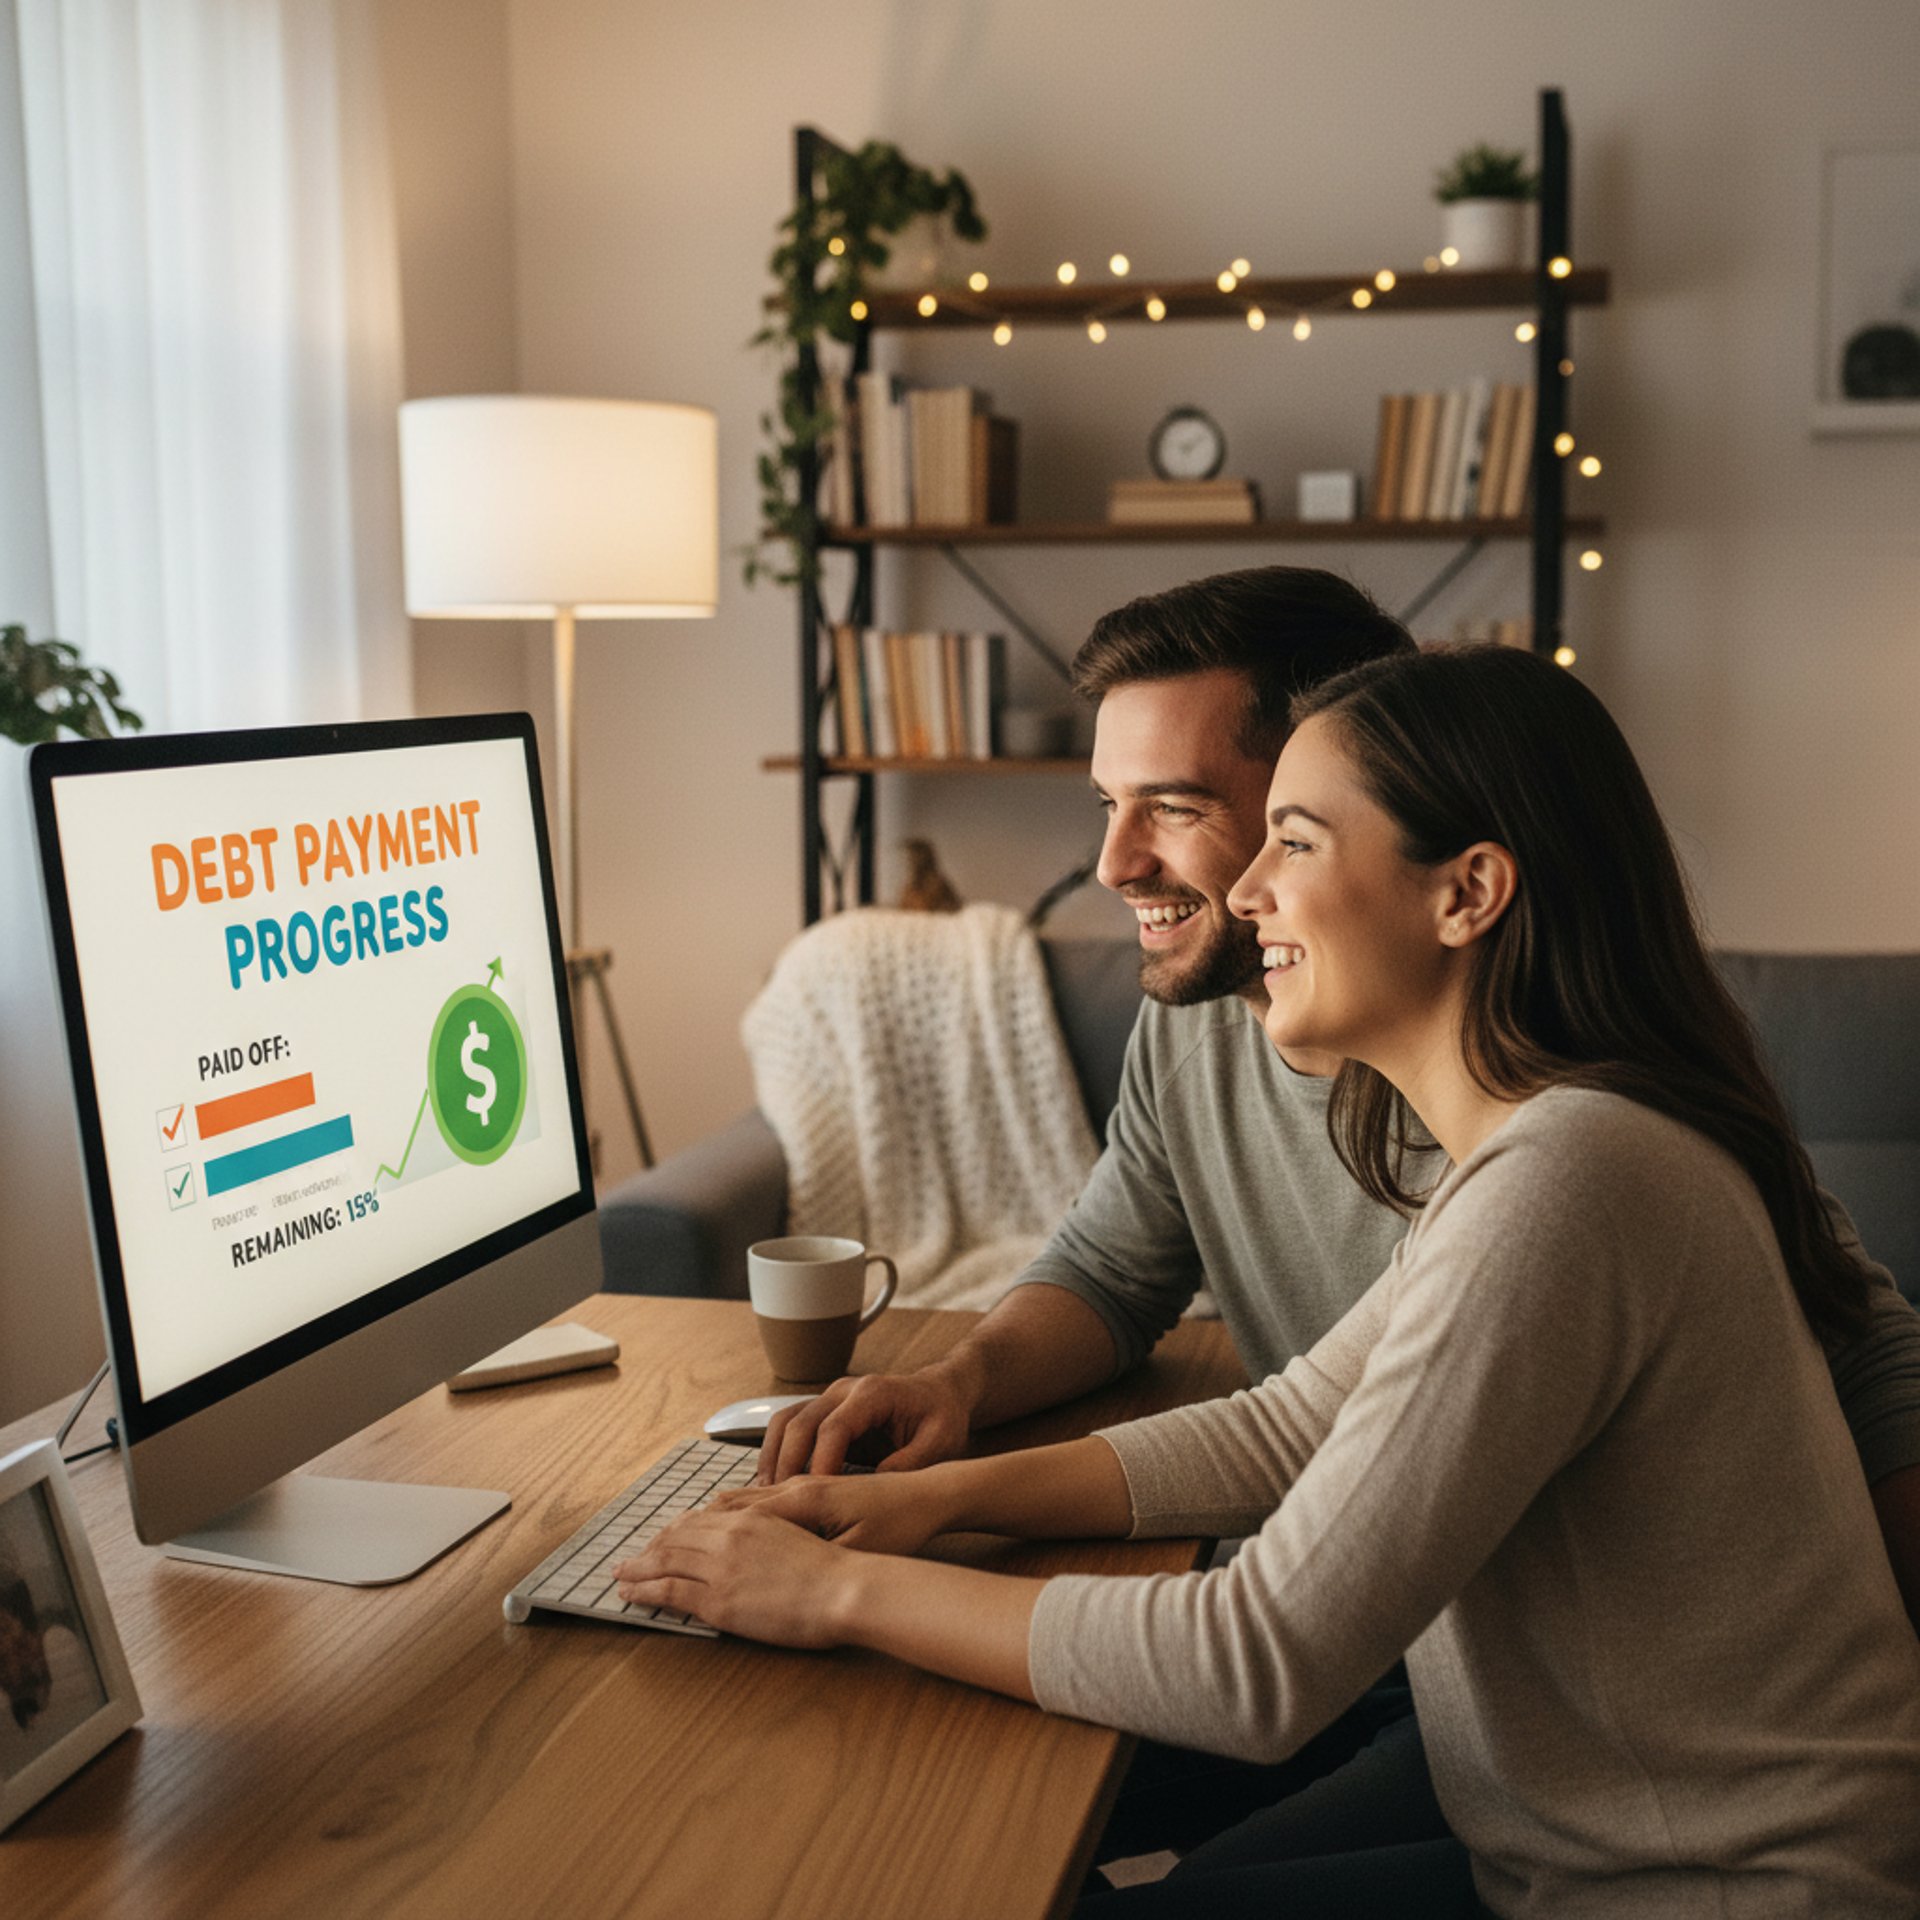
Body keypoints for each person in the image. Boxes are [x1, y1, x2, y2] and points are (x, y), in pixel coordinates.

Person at [617, 645, 1920, 1915]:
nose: (1246, 895)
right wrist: (919, 1504)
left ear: (1466, 893)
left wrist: (836, 1592)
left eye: (1293, 842)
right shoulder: (1538, 1152)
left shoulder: (1570, 1180)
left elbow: (1259, 1663)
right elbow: (1292, 1422)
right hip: (1563, 1854)